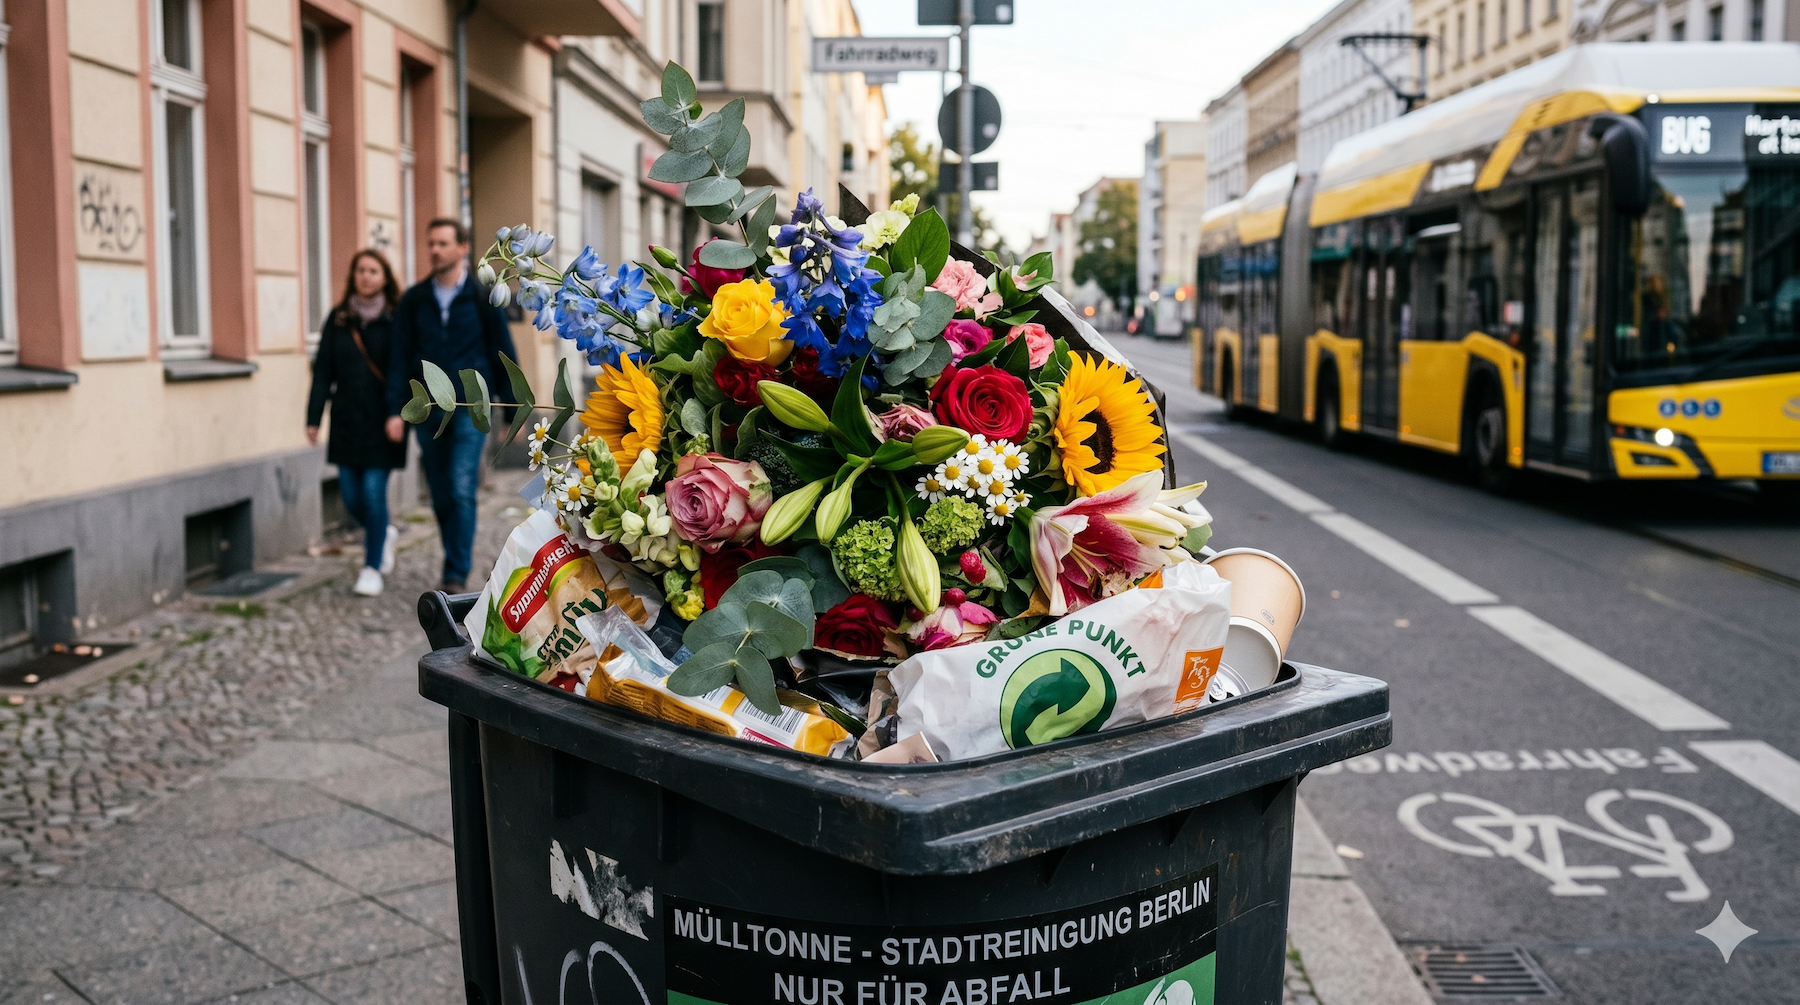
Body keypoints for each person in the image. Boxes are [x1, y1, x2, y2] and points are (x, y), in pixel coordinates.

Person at [385, 219, 516, 593]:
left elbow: (503, 351)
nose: (435, 250)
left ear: (462, 248)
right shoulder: (414, 300)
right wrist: (394, 410)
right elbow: (399, 357)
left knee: (460, 486)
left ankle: (456, 573)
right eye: (431, 243)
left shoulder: (482, 296)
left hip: (471, 406)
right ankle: (453, 557)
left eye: (443, 243)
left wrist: (511, 410)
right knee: (441, 492)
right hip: (427, 406)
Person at [307, 250, 407, 598]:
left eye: (373, 270)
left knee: (373, 494)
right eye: (360, 270)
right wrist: (313, 418)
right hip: (347, 422)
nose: (366, 276)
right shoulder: (339, 319)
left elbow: (401, 370)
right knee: (351, 497)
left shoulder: (395, 320)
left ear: (385, 278)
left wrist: (398, 413)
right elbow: (323, 371)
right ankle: (384, 533)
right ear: (353, 275)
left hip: (384, 422)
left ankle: (371, 568)